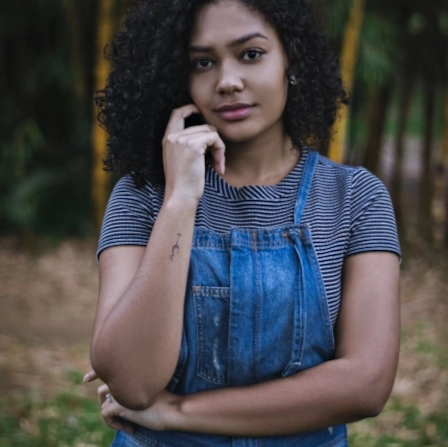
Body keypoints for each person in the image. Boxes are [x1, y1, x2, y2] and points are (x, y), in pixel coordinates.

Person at [85, 0, 401, 445]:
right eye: (203, 63)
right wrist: (180, 199)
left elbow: (366, 385)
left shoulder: (355, 197)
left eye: (251, 54)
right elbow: (134, 383)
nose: (227, 81)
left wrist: (176, 411)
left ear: (291, 59)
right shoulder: (143, 195)